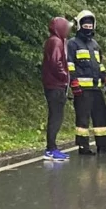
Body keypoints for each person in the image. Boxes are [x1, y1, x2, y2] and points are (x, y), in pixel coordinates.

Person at [67, 10, 106, 155]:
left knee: (102, 115)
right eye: (85, 25)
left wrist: (105, 77)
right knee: (83, 119)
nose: (88, 27)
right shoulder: (72, 44)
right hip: (82, 89)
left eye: (90, 25)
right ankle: (83, 147)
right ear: (79, 25)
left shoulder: (94, 44)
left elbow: (99, 63)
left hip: (96, 88)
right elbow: (69, 64)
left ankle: (104, 146)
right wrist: (74, 82)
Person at [41, 16, 71, 162]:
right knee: (55, 117)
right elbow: (56, 62)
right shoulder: (56, 41)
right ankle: (51, 149)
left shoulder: (55, 41)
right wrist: (66, 77)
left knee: (55, 116)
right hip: (55, 86)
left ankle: (52, 148)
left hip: (53, 85)